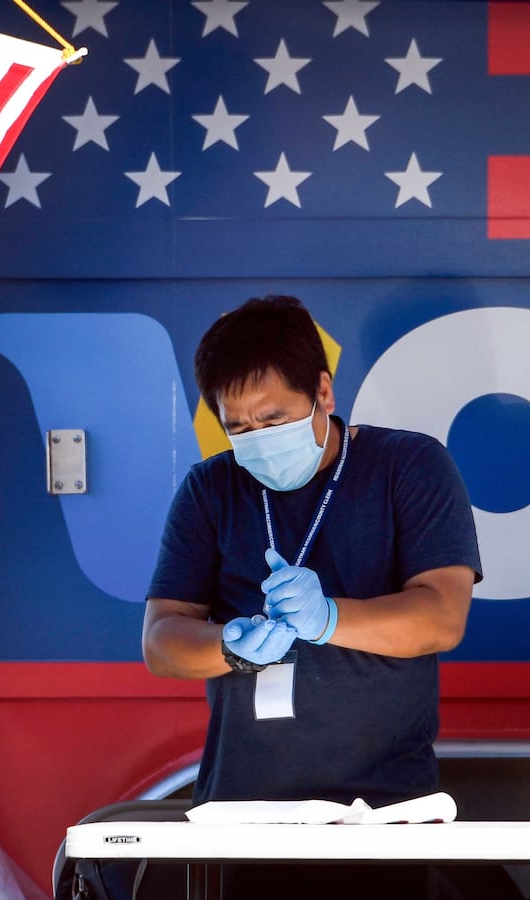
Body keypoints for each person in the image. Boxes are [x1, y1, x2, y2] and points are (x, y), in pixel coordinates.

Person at [142, 295, 481, 898]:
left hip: (384, 812)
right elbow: (162, 641)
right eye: (238, 427)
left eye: (273, 420)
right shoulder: (210, 489)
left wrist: (328, 619)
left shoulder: (408, 465)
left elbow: (441, 616)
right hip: (242, 815)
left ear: (323, 393)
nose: (257, 441)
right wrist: (230, 648)